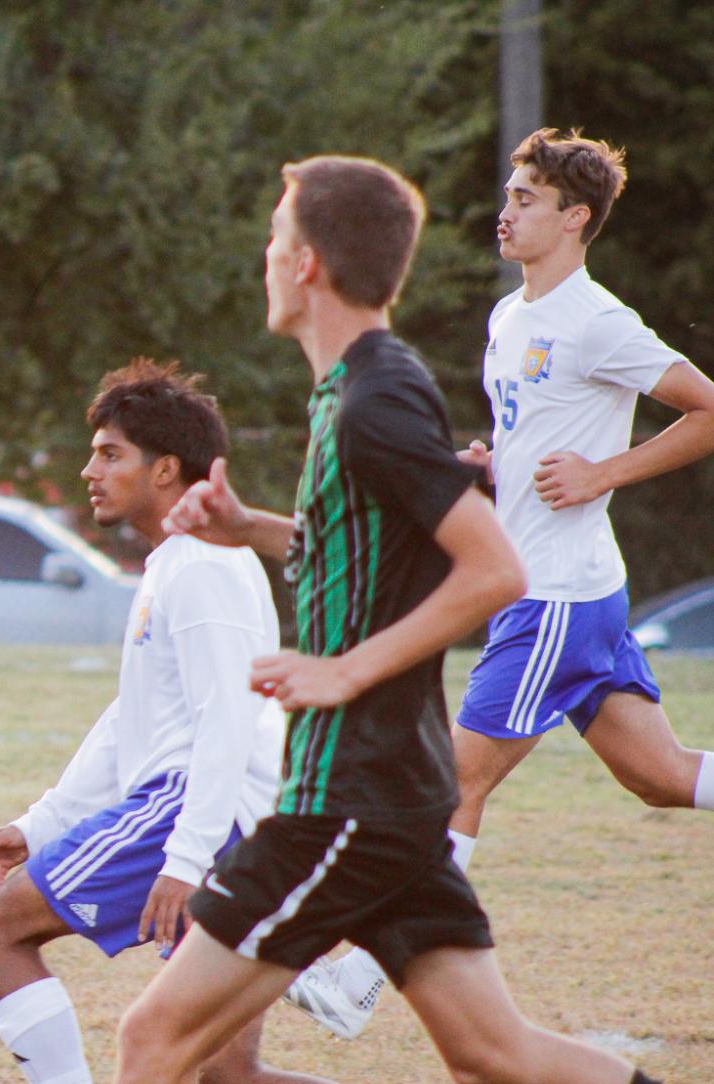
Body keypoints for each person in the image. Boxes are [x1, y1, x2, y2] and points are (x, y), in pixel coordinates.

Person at [0, 155, 714, 1084]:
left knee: (156, 1032)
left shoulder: (376, 395)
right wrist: (251, 524)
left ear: (309, 262)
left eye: (277, 236)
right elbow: (376, 549)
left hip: (346, 799)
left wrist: (344, 668)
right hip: (392, 796)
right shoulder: (351, 396)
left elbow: (493, 568)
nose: (268, 255)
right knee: (499, 1053)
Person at [0, 358, 541, 1084]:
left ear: (165, 470)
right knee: (230, 1080)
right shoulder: (175, 562)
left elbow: (225, 721)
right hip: (228, 819)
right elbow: (130, 718)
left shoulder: (200, 565)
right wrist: (38, 823)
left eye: (107, 454)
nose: (88, 471)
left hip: (195, 811)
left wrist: (183, 858)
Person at [286, 128, 714, 1038]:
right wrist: (496, 464)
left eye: (526, 199)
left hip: (553, 595)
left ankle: (359, 979)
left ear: (575, 218)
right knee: (659, 777)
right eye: (509, 194)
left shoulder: (598, 319)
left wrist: (606, 473)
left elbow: (707, 410)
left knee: (450, 781)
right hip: (568, 592)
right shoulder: (510, 317)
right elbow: (535, 429)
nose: (506, 210)